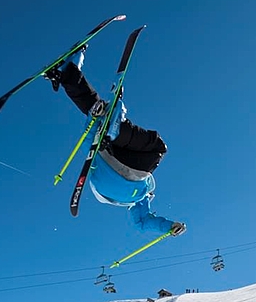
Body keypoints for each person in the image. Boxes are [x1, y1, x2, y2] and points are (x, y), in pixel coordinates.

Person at [48, 46, 186, 236]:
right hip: (103, 175)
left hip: (125, 175)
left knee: (157, 148)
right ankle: (68, 73)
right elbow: (143, 223)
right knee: (99, 110)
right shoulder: (136, 203)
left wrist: (93, 120)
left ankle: (118, 130)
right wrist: (169, 227)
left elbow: (90, 141)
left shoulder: (141, 194)